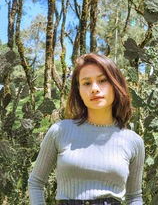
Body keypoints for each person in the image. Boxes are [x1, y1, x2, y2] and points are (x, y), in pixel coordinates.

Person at [28, 53, 145, 205]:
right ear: (79, 91)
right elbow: (36, 183)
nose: (95, 89)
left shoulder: (133, 141)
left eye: (102, 80)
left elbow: (134, 197)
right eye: (87, 83)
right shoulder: (59, 131)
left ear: (115, 85)